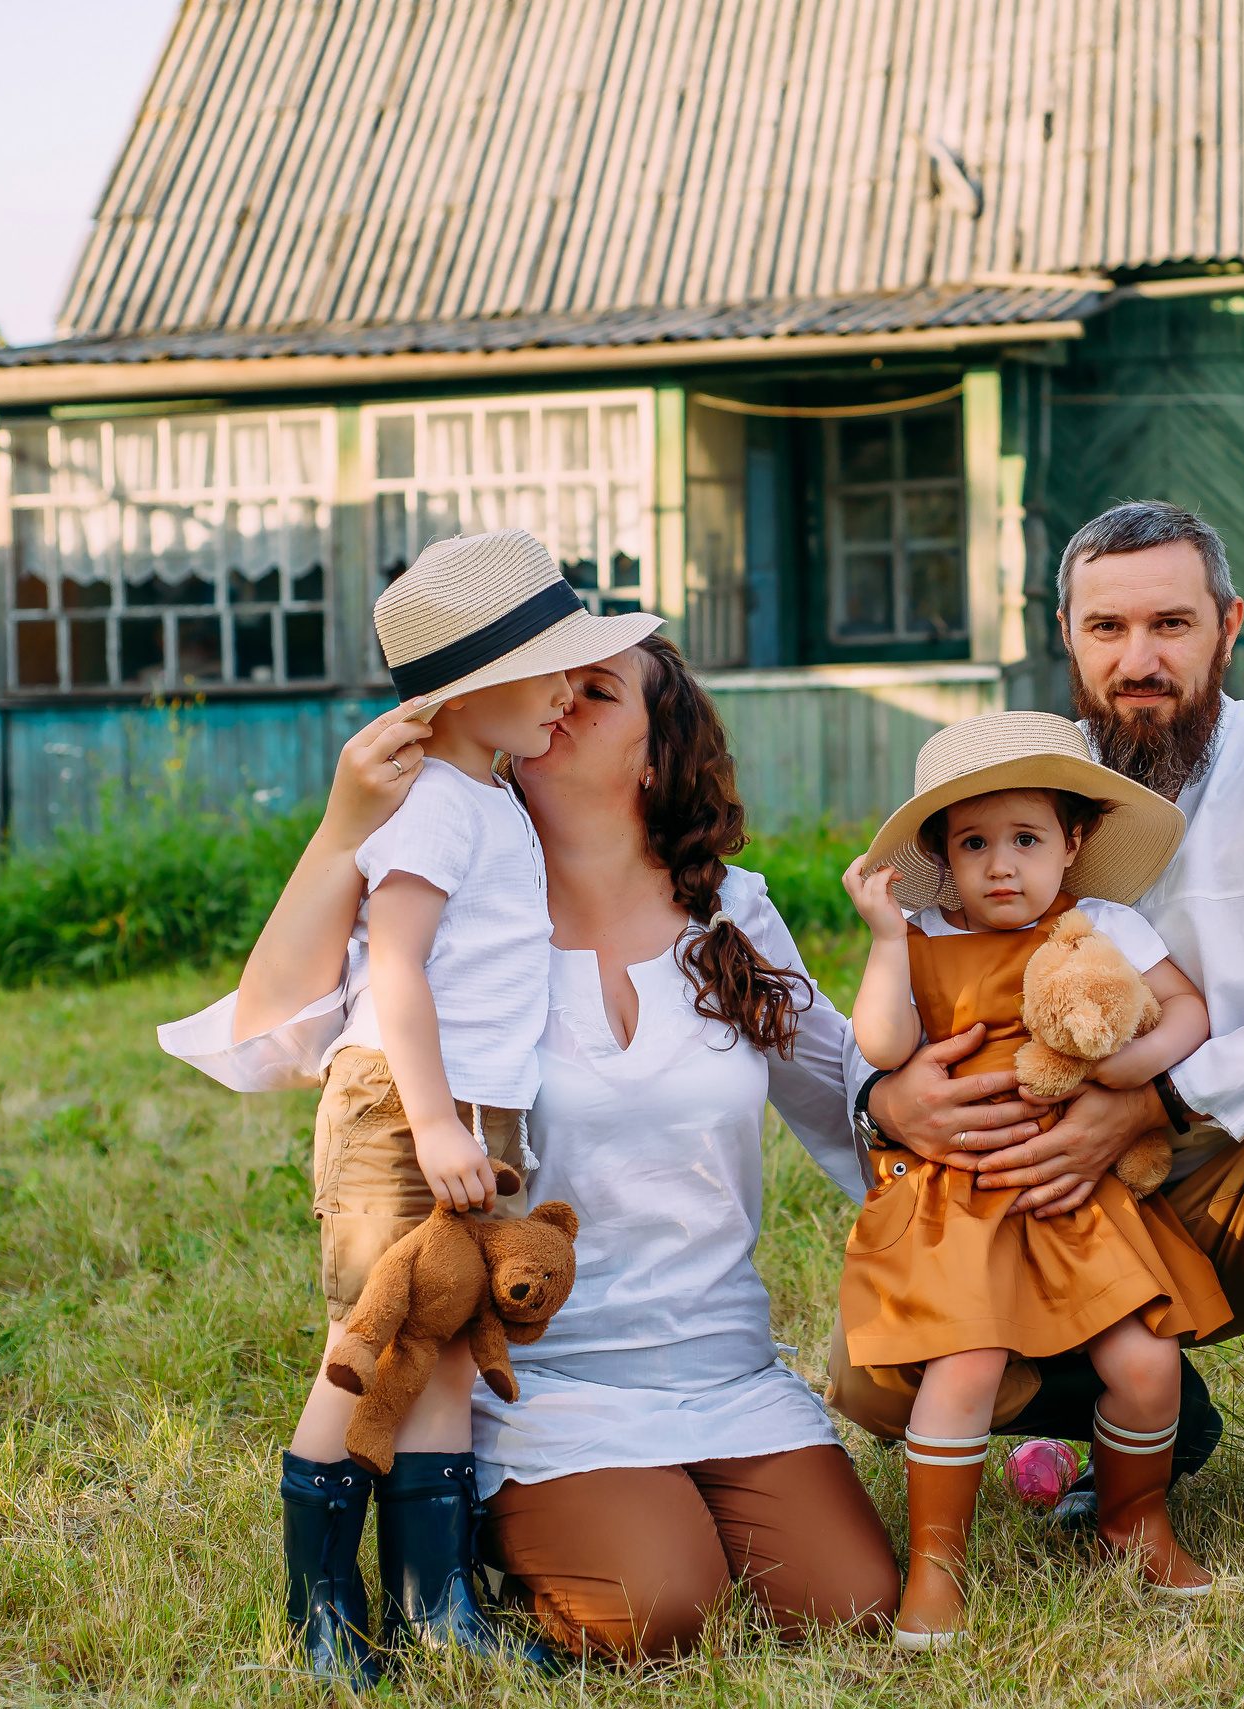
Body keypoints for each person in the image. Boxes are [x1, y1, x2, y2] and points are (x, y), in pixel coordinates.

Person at [168, 633, 899, 1670]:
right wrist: (343, 828)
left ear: (657, 755)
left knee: (851, 1601)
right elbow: (273, 1016)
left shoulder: (732, 913)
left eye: (594, 690)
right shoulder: (462, 904)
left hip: (722, 1362)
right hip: (536, 1376)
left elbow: (852, 1090)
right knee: (657, 1614)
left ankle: (670, 1493)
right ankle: (439, 1551)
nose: (556, 698)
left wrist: (975, 1106)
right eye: (550, 680)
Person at [834, 500, 1244, 1609]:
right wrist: (886, 1098)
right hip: (1043, 1208)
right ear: (1067, 635)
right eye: (1108, 629)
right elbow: (912, 981)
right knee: (875, 1376)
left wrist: (1163, 1096)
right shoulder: (1018, 784)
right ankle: (1149, 1404)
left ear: (1227, 626)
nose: (1139, 660)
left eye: (1171, 624)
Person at [166, 528, 660, 1683]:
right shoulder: (435, 802)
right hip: (403, 1102)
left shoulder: (488, 798)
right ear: (472, 689)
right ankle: (321, 1612)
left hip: (473, 1111)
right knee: (375, 1333)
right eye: (553, 674)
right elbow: (395, 969)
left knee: (444, 1342)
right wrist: (437, 1123)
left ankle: (435, 1600)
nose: (570, 695)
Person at [837, 711, 1231, 1647]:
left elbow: (1188, 1008)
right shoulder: (926, 936)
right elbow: (882, 1045)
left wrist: (1144, 1069)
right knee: (964, 1364)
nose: (1001, 865)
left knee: (1143, 1359)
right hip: (962, 1198)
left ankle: (1134, 1519)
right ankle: (938, 1565)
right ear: (942, 854)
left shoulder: (1102, 925)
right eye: (974, 844)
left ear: (1074, 840)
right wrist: (887, 941)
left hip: (1073, 1191)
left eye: (1026, 839)